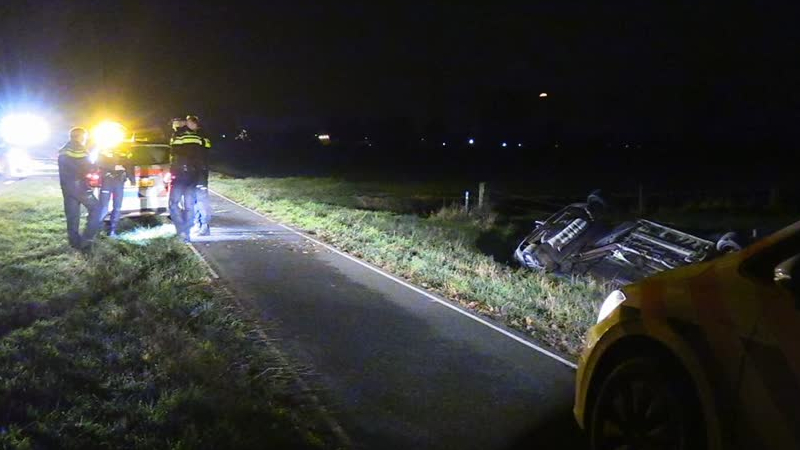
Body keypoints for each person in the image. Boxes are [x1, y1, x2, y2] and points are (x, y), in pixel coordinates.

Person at [57, 127, 101, 249]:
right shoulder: (79, 150)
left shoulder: (64, 150)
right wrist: (94, 165)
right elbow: (86, 167)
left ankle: (74, 243)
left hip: (66, 187)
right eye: (85, 137)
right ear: (81, 137)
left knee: (73, 215)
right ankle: (87, 238)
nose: (85, 140)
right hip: (79, 186)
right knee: (97, 209)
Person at [168, 116, 201, 242]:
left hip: (180, 174)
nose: (174, 125)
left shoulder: (179, 135)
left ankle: (181, 230)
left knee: (173, 204)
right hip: (192, 175)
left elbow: (174, 153)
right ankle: (186, 234)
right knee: (189, 205)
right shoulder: (196, 136)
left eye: (175, 123)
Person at [95, 143, 134, 237]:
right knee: (103, 207)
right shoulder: (103, 151)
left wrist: (132, 179)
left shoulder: (124, 152)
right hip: (107, 182)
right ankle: (95, 230)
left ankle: (113, 231)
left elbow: (129, 165)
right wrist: (113, 167)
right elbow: (98, 163)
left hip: (119, 183)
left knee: (117, 207)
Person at [185, 115, 212, 236]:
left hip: (200, 173)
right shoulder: (192, 136)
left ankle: (205, 226)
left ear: (195, 124)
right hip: (192, 173)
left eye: (189, 123)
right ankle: (197, 224)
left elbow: (203, 152)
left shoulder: (202, 136)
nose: (187, 125)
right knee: (193, 200)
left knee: (201, 200)